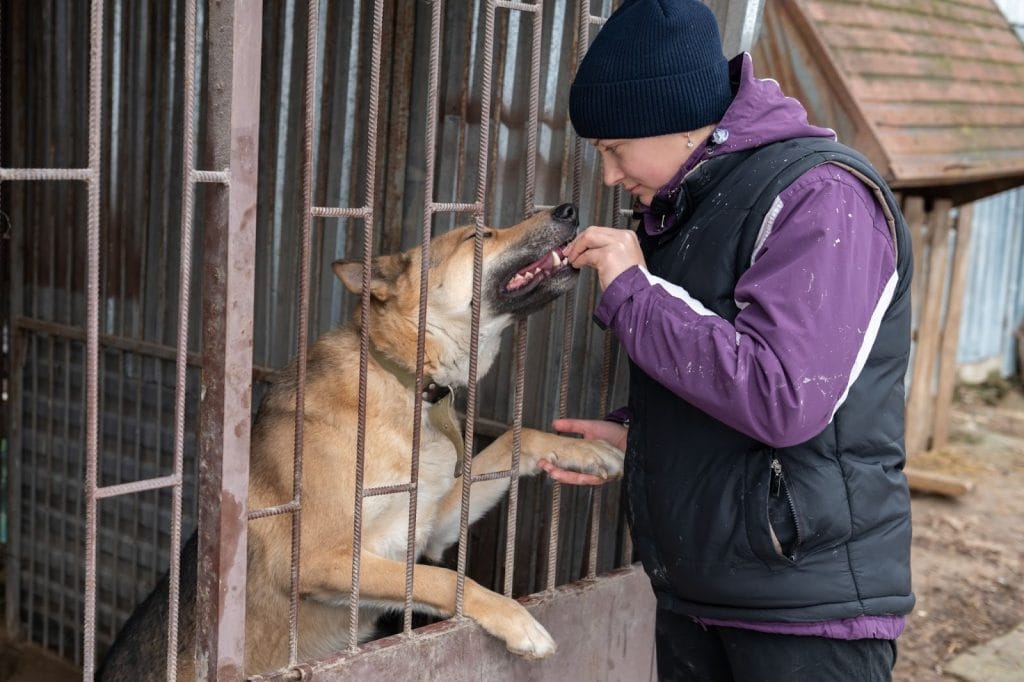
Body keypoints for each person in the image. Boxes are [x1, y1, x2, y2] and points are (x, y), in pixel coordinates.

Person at [536, 1, 915, 680]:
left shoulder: (820, 195)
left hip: (805, 614)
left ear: (674, 123)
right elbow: (722, 362)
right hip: (703, 595)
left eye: (612, 150)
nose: (609, 175)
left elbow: (783, 394)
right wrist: (650, 437)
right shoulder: (705, 200)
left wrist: (631, 289)